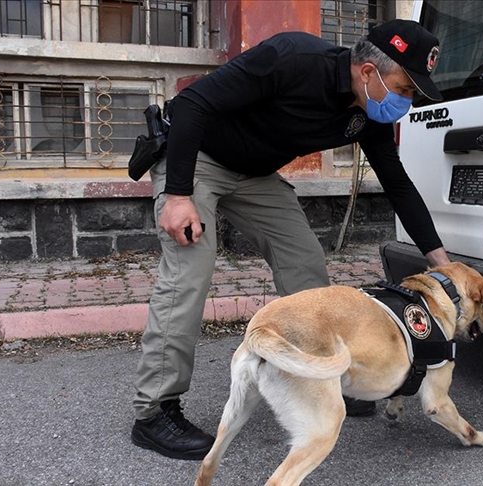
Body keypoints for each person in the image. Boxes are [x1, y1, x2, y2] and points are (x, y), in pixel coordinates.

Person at [130, 19, 451, 461]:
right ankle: (154, 411)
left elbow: (397, 184)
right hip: (197, 157)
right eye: (406, 88)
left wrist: (439, 261)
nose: (408, 101)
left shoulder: (367, 112)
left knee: (305, 263)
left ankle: (321, 374)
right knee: (190, 271)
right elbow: (190, 105)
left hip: (256, 173)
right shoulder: (293, 58)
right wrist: (178, 194)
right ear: (369, 72)